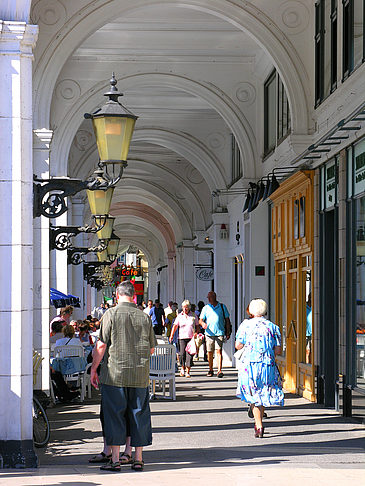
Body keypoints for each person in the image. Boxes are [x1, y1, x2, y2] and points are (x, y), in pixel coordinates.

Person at [90, 280, 157, 472]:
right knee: (139, 414)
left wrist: (94, 369)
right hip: (139, 375)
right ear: (134, 296)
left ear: (117, 296)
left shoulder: (110, 314)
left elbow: (101, 346)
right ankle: (138, 458)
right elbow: (152, 348)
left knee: (114, 415)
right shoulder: (144, 317)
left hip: (114, 375)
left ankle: (116, 459)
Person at [235, 298, 284, 438]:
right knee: (261, 394)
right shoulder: (273, 327)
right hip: (267, 365)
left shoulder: (246, 325)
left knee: (254, 395)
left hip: (250, 365)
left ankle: (259, 425)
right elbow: (278, 350)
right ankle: (259, 421)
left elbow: (238, 345)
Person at [199, 291, 230, 378]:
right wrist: (203, 324)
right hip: (209, 333)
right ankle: (210, 369)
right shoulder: (206, 308)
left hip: (219, 332)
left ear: (215, 297)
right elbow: (200, 320)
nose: (208, 299)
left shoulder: (222, 307)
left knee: (218, 351)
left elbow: (227, 320)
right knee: (209, 352)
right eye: (208, 297)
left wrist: (228, 332)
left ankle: (219, 370)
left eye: (210, 297)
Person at [169, 300, 198, 378]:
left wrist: (196, 333)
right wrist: (171, 335)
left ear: (189, 308)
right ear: (182, 308)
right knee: (181, 354)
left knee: (190, 355)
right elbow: (175, 326)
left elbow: (197, 325)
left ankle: (187, 371)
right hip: (181, 337)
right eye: (184, 307)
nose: (185, 309)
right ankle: (182, 367)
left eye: (187, 307)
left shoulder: (193, 315)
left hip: (191, 338)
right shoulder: (179, 316)